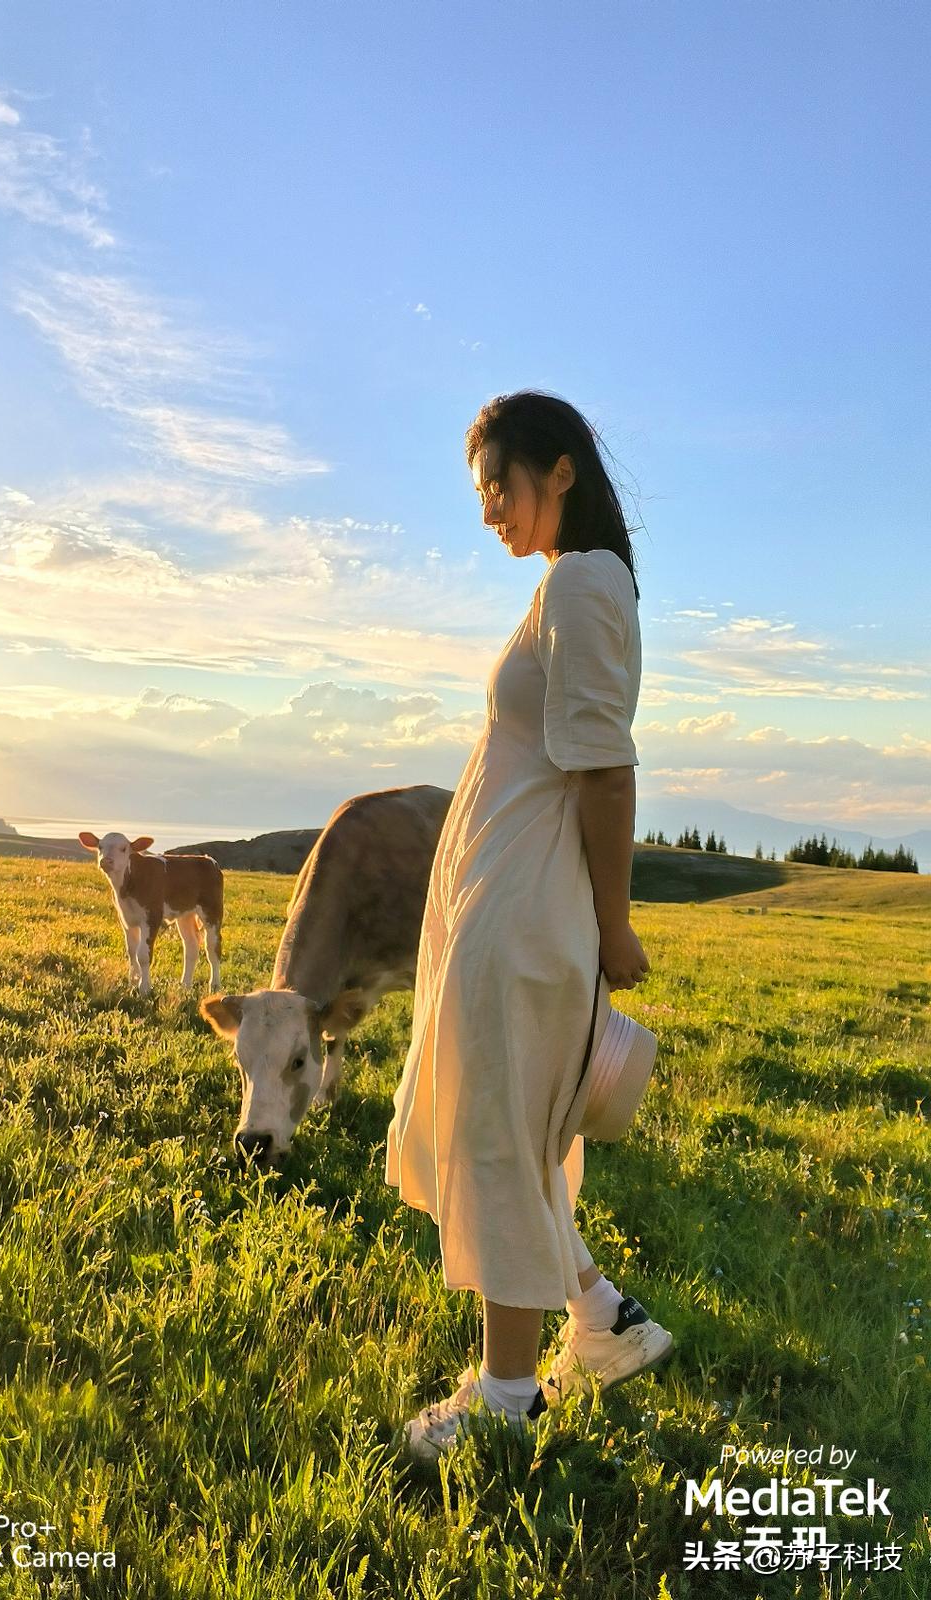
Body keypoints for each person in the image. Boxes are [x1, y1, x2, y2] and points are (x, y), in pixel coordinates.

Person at [385, 390, 674, 1461]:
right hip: (508, 904)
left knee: (501, 1141)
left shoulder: (586, 582)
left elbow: (605, 772)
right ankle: (599, 1319)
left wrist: (615, 927)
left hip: (534, 912)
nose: (490, 510)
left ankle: (505, 1397)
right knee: (517, 1131)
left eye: (498, 486)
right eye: (482, 495)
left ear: (558, 473)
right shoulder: (567, 583)